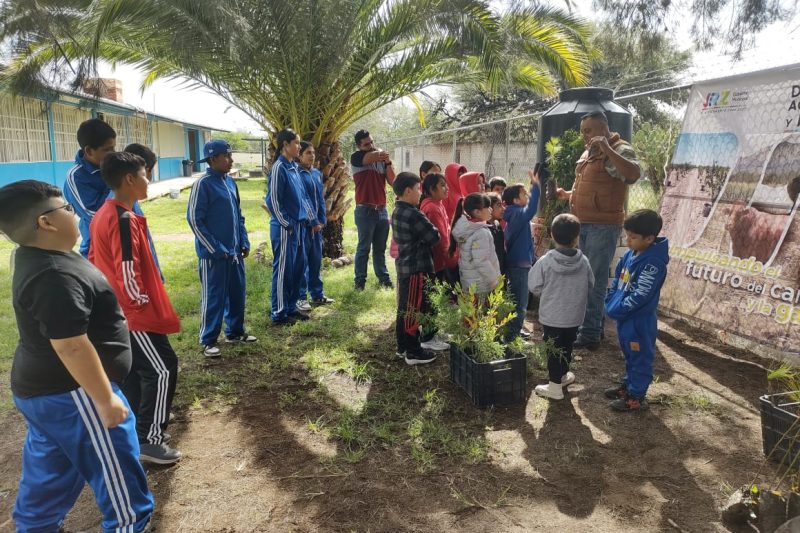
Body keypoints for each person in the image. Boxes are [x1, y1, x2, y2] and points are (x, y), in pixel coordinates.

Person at [0, 180, 154, 533]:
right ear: (46, 222)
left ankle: (35, 526)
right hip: (75, 395)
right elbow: (70, 344)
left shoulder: (44, 257)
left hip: (47, 395)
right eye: (66, 208)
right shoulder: (54, 275)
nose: (74, 213)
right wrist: (105, 400)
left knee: (49, 474)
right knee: (122, 489)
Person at [90, 152, 182, 464]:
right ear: (129, 179)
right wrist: (139, 304)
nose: (148, 181)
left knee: (136, 373)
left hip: (121, 312)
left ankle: (133, 434)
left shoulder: (106, 213)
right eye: (145, 175)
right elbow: (126, 269)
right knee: (162, 368)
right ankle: (149, 439)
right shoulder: (123, 219)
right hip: (133, 314)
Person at [556, 110, 642, 351]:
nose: (585, 136)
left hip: (602, 226)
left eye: (588, 130)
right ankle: (593, 327)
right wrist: (569, 195)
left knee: (593, 280)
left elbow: (633, 174)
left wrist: (608, 149)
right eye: (583, 131)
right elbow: (597, 186)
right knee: (586, 277)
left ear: (604, 128)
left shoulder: (619, 149)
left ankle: (591, 332)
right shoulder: (589, 151)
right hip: (584, 223)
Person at [187, 140, 256, 356]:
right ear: (213, 159)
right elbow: (195, 220)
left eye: (230, 155)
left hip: (234, 252)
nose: (231, 159)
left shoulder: (229, 182)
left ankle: (235, 332)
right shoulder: (203, 184)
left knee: (237, 293)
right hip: (214, 255)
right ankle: (208, 339)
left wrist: (243, 240)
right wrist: (215, 248)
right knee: (214, 296)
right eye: (226, 156)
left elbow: (238, 215)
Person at [604, 209, 669, 412]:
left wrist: (621, 308)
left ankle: (636, 397)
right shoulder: (630, 255)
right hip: (625, 317)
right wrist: (611, 298)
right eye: (627, 236)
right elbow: (618, 279)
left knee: (640, 357)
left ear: (649, 239)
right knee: (629, 355)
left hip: (638, 321)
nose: (628, 240)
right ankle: (629, 386)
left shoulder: (653, 264)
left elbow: (641, 295)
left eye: (632, 237)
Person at [64, 119, 155, 260]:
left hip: (135, 232)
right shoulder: (77, 177)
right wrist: (117, 183)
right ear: (89, 151)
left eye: (114, 148)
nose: (113, 153)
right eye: (107, 149)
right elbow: (94, 214)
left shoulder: (115, 166)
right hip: (105, 248)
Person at [528, 214, 594, 400]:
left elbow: (533, 285)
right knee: (567, 346)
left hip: (552, 316)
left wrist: (546, 294)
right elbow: (591, 284)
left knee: (553, 349)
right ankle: (563, 376)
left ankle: (555, 386)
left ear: (552, 235)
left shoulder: (546, 261)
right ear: (577, 238)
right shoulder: (584, 261)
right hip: (574, 316)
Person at [391, 172, 441, 365]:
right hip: (416, 268)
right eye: (418, 188)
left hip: (405, 267)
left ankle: (402, 346)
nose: (420, 193)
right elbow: (433, 237)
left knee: (404, 308)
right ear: (407, 190)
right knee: (413, 309)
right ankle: (413, 352)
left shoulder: (397, 210)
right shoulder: (413, 213)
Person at [266, 129, 313, 324]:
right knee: (283, 270)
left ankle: (291, 307)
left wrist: (309, 219)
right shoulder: (279, 168)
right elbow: (273, 201)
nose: (299, 147)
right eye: (296, 143)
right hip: (286, 228)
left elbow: (302, 197)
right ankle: (279, 312)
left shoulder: (293, 167)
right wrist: (287, 224)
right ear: (285, 145)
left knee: (297, 269)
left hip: (299, 227)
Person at [350, 130, 395, 291]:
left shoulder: (381, 159)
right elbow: (370, 157)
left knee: (380, 248)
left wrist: (388, 163)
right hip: (365, 211)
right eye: (366, 144)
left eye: (372, 142)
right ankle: (359, 282)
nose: (371, 146)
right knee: (363, 248)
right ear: (359, 146)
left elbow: (393, 182)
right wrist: (382, 154)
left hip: (382, 211)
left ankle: (384, 279)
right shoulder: (356, 157)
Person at [502, 171, 541, 341]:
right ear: (516, 201)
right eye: (524, 193)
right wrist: (536, 187)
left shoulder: (514, 214)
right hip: (518, 266)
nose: (527, 195)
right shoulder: (518, 214)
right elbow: (531, 209)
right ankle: (513, 335)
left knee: (516, 300)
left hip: (518, 264)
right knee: (520, 303)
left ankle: (513, 330)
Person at [296, 141, 334, 311]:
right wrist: (312, 222)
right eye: (307, 153)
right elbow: (302, 200)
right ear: (299, 155)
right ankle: (301, 297)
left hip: (317, 226)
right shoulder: (296, 174)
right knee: (303, 262)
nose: (311, 156)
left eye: (312, 152)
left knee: (315, 261)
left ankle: (317, 295)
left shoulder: (317, 173)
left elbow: (320, 198)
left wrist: (321, 220)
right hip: (304, 226)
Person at [418, 172, 453, 351]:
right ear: (431, 189)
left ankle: (432, 332)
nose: (446, 188)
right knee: (430, 300)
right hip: (435, 262)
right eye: (442, 185)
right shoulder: (431, 207)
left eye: (446, 184)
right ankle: (428, 337)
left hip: (439, 261)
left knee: (434, 298)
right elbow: (440, 240)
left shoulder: (437, 204)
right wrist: (449, 256)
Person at [450, 193, 500, 296]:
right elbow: (481, 261)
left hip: (469, 283)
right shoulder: (481, 233)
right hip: (481, 285)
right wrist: (494, 281)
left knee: (471, 311)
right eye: (488, 207)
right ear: (477, 212)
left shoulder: (466, 228)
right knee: (482, 311)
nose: (491, 209)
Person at [487, 193, 507, 277]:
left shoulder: (497, 224)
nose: (503, 208)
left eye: (502, 205)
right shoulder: (485, 228)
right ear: (489, 208)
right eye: (499, 205)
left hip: (500, 271)